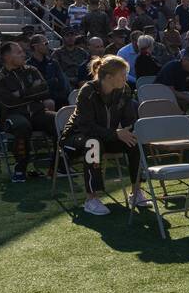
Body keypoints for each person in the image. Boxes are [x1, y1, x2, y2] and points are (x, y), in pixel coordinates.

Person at [60, 54, 150, 216]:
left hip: (106, 136)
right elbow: (86, 126)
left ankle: (136, 192)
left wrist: (130, 131)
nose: (126, 78)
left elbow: (129, 119)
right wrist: (115, 133)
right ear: (108, 77)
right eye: (122, 75)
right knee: (93, 144)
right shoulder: (88, 91)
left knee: (135, 141)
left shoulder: (124, 90)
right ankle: (91, 199)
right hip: (76, 137)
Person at [0, 41, 56, 182]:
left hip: (37, 113)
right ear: (7, 57)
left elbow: (44, 90)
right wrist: (33, 91)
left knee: (60, 121)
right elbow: (8, 102)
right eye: (19, 52)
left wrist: (19, 93)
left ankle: (58, 166)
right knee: (22, 126)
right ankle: (20, 168)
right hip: (13, 115)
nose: (24, 54)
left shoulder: (31, 70)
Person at [156, 47, 189, 117]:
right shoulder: (171, 68)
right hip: (162, 96)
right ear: (184, 60)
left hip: (180, 95)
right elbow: (170, 91)